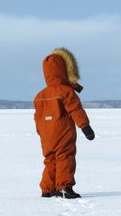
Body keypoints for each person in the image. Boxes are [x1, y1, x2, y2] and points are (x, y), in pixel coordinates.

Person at [33, 47, 95, 199]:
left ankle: (47, 189)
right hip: (62, 131)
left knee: (50, 159)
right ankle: (64, 187)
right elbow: (75, 110)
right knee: (65, 156)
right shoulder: (66, 91)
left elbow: (37, 117)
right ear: (65, 70)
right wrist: (85, 126)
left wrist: (41, 132)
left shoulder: (40, 95)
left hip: (46, 135)